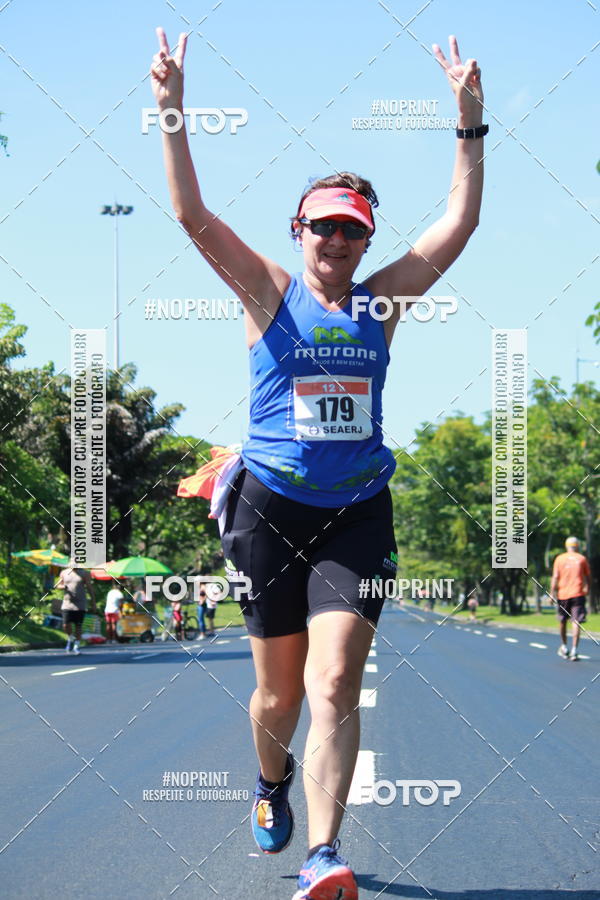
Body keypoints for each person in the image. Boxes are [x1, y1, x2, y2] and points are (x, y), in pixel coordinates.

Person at [151, 28, 484, 900]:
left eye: (352, 230)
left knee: (336, 682)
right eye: (325, 226)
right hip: (270, 509)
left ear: (366, 241)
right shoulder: (270, 290)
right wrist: (171, 110)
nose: (338, 241)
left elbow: (459, 224)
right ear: (299, 232)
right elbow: (191, 216)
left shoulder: (382, 301)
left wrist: (469, 127)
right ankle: (268, 785)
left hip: (357, 511)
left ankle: (324, 855)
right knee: (280, 699)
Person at [551, 536, 590, 661]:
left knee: (562, 621)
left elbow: (555, 577)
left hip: (563, 595)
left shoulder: (559, 559)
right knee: (576, 622)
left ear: (566, 546)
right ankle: (574, 650)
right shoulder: (581, 559)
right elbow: (588, 577)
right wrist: (587, 588)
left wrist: (552, 593)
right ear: (577, 546)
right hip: (578, 594)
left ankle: (564, 646)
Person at [57, 562, 96, 655]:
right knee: (65, 625)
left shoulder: (84, 573)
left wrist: (93, 602)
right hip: (67, 603)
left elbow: (90, 588)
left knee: (78, 626)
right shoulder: (64, 573)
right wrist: (63, 586)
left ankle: (76, 645)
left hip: (80, 604)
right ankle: (70, 638)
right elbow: (57, 585)